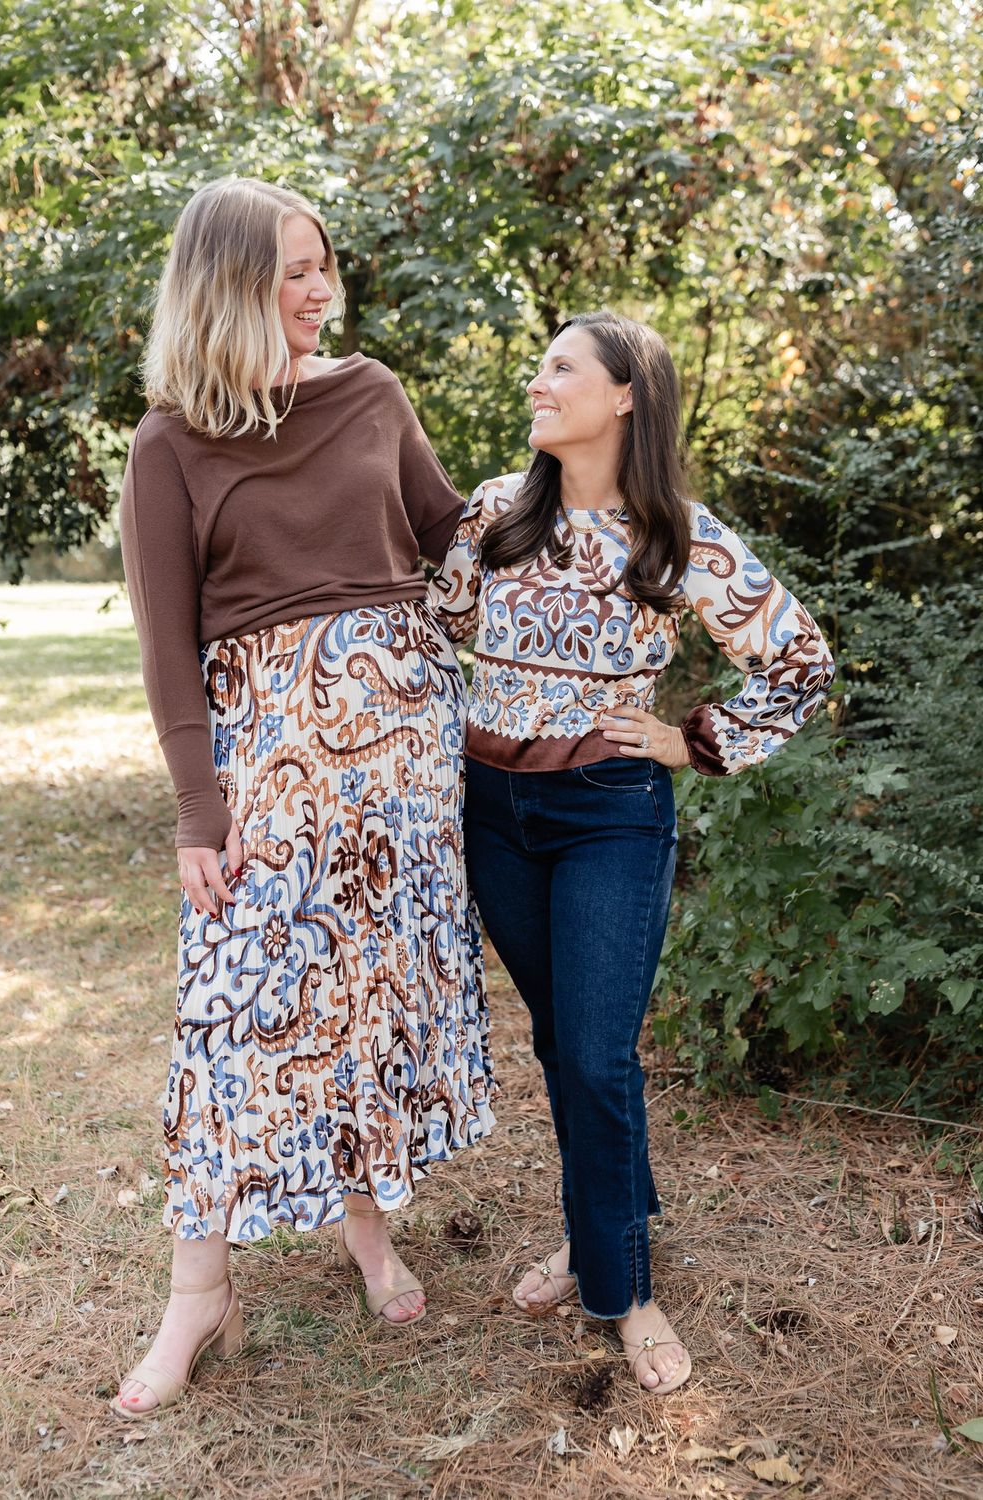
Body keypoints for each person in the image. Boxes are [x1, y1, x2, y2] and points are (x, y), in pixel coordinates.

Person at [113, 176, 495, 1417]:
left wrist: (576, 501)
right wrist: (197, 810)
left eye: (323, 263)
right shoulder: (170, 444)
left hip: (402, 765)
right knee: (231, 1017)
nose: (321, 287)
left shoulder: (371, 393)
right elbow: (167, 645)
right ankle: (199, 1292)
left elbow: (449, 533)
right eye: (294, 269)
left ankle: (367, 1226)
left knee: (368, 1000)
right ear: (228, 285)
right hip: (270, 768)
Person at [427, 310, 834, 1394]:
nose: (537, 381)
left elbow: (799, 659)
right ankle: (596, 1225)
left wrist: (693, 740)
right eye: (538, 365)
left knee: (599, 1053)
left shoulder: (678, 535)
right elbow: (428, 634)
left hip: (609, 811)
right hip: (492, 808)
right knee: (564, 1043)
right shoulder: (492, 516)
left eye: (561, 367)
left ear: (624, 396)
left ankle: (625, 1288)